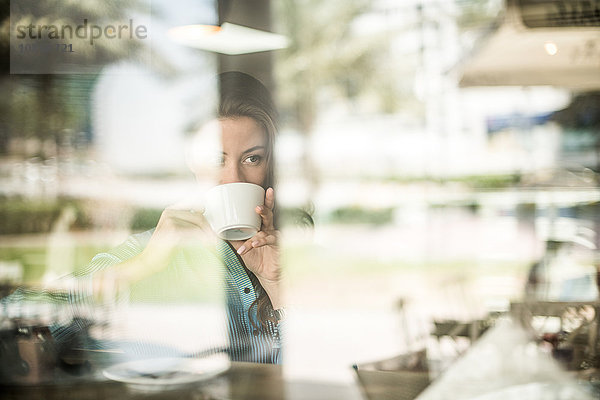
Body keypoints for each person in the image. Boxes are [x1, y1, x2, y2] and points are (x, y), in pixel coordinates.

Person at [63, 71, 285, 364]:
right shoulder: (154, 247)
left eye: (252, 158)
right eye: (217, 159)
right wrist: (146, 264)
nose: (233, 178)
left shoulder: (292, 252)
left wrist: (275, 284)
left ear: (269, 163)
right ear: (191, 159)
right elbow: (24, 312)